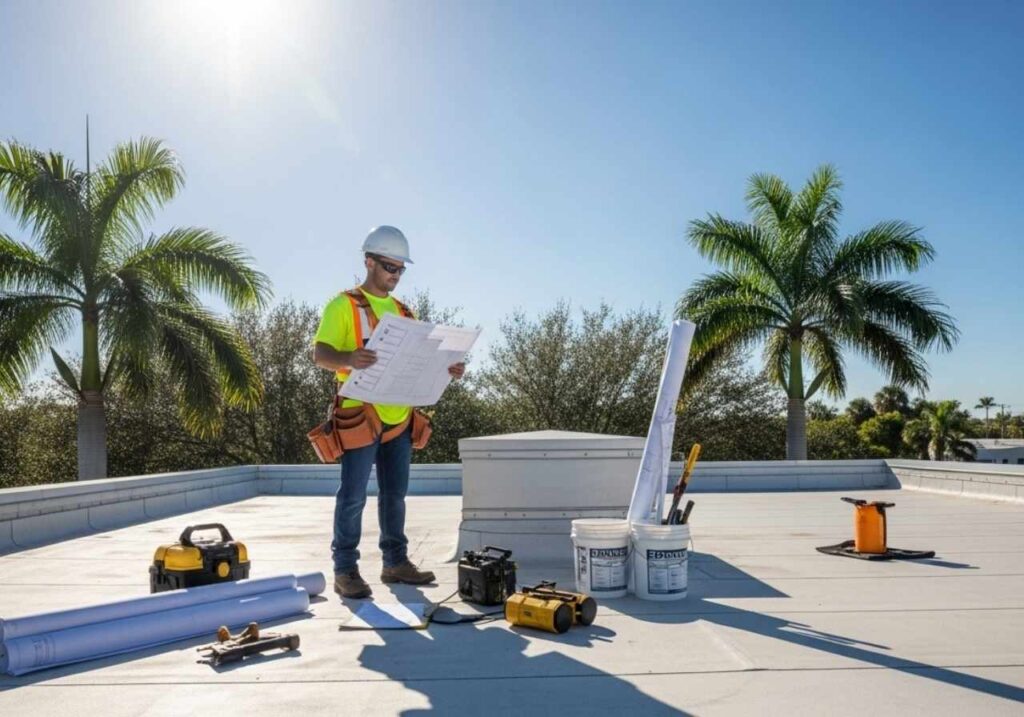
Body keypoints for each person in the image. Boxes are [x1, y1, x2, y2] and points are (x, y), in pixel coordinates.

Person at [313, 226, 465, 598]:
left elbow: (415, 360)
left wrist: (447, 368)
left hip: (399, 418)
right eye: (388, 267)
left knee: (395, 494)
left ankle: (395, 562)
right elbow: (321, 356)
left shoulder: (403, 311)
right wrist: (348, 358)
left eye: (400, 270)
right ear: (368, 262)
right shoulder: (344, 305)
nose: (394, 275)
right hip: (360, 416)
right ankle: (345, 569)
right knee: (353, 495)